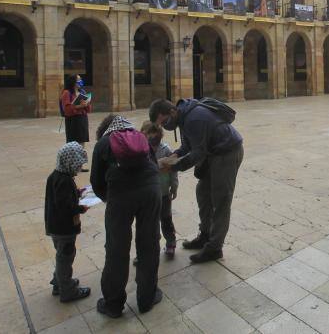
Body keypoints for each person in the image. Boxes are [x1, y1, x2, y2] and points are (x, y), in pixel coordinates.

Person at [149, 98, 244, 263]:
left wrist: (172, 167)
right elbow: (188, 146)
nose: (164, 126)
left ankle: (214, 248)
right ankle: (205, 235)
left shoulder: (194, 118)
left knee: (221, 200)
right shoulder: (183, 116)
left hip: (227, 152)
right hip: (212, 152)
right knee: (203, 193)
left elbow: (197, 153)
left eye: (164, 122)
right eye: (161, 125)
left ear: (172, 112)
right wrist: (174, 156)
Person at [91, 115, 162, 318]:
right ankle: (147, 299)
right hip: (151, 191)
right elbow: (154, 165)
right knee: (149, 244)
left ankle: (113, 304)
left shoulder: (104, 143)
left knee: (116, 248)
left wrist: (110, 198)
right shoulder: (139, 137)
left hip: (120, 196)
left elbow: (96, 182)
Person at [45, 142, 91, 303]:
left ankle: (59, 282)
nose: (79, 168)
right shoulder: (64, 180)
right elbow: (65, 206)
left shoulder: (56, 176)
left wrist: (78, 192)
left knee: (61, 255)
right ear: (69, 162)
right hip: (64, 229)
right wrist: (80, 208)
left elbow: (60, 197)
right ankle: (67, 290)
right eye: (78, 165)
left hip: (54, 227)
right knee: (65, 257)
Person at [141, 121, 179, 258]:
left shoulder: (166, 149)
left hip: (163, 192)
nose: (152, 138)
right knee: (150, 223)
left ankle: (171, 243)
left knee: (166, 219)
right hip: (148, 194)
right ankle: (150, 248)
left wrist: (174, 187)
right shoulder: (141, 150)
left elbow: (173, 170)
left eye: (154, 134)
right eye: (148, 135)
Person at [61, 74, 91, 171]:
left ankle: (80, 165)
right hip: (72, 120)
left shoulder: (82, 92)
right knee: (72, 143)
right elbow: (67, 109)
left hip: (82, 119)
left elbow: (88, 109)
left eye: (81, 80)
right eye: (78, 80)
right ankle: (71, 166)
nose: (80, 82)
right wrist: (79, 106)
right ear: (73, 82)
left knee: (81, 142)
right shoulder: (67, 93)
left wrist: (86, 104)